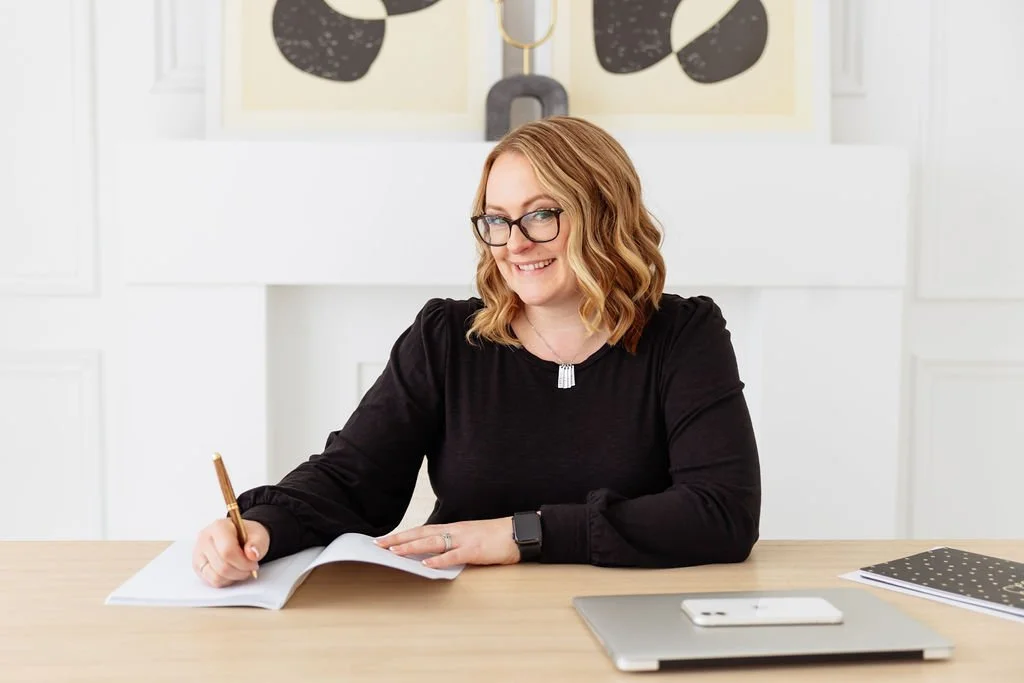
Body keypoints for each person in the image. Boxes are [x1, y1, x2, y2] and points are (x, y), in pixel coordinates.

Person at [192, 116, 761, 588]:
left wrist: (519, 535)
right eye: (497, 220)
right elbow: (352, 477)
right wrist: (261, 528)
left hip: (632, 606)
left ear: (603, 212)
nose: (515, 243)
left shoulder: (685, 334)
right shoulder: (447, 336)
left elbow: (721, 512)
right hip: (464, 614)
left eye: (541, 214)